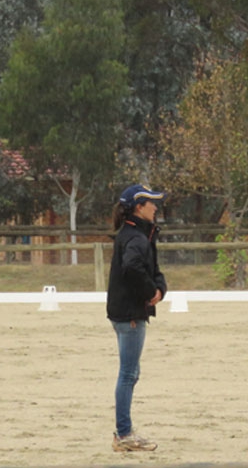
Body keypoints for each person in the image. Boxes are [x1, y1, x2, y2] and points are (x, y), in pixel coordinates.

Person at [107, 184, 168, 452]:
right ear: (139, 207)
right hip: (130, 313)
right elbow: (133, 268)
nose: (156, 208)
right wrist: (149, 291)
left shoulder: (137, 234)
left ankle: (125, 431)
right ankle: (123, 434)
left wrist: (159, 288)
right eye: (152, 204)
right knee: (128, 373)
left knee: (131, 372)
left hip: (125, 311)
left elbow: (150, 268)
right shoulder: (135, 237)